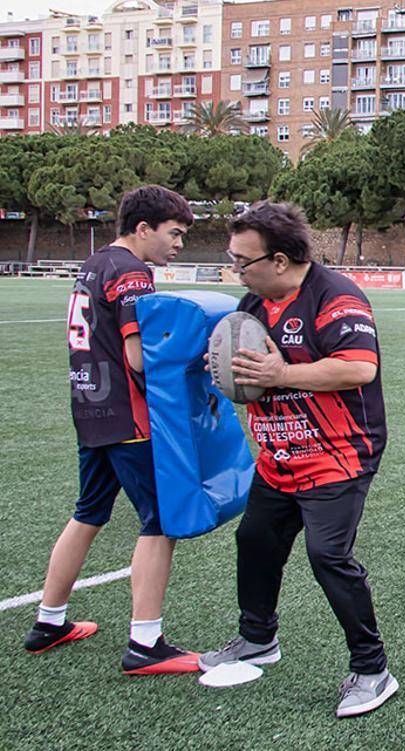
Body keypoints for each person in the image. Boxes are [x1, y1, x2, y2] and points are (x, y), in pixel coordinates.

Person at [198, 202, 396, 719]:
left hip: (338, 452)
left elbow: (357, 369)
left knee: (327, 555)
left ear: (280, 260)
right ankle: (257, 638)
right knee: (255, 539)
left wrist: (278, 375)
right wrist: (226, 368)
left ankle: (373, 670)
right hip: (280, 453)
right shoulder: (254, 303)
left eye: (243, 260)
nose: (235, 269)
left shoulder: (335, 297)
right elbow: (246, 372)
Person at [24, 185, 199, 675]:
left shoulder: (95, 262)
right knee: (160, 520)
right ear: (143, 229)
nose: (179, 244)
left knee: (89, 511)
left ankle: (49, 619)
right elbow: (137, 356)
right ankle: (146, 643)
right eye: (175, 233)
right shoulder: (131, 272)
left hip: (89, 407)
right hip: (127, 415)